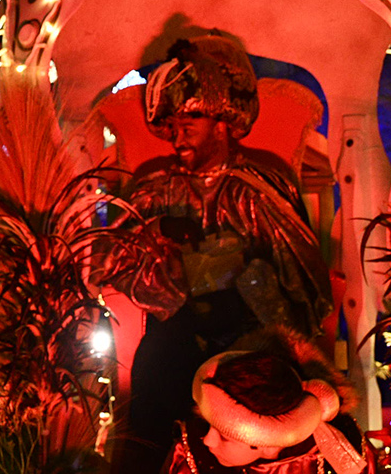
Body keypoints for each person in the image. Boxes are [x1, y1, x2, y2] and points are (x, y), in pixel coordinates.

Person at [106, 32, 333, 472]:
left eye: (188, 125)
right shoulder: (155, 190)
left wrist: (246, 275)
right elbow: (113, 263)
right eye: (171, 127)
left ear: (222, 123)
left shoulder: (262, 186)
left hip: (248, 342)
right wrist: (157, 240)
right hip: (173, 339)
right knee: (155, 373)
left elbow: (303, 284)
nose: (177, 137)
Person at [163, 330, 369, 474]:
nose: (207, 440)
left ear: (270, 446)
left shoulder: (339, 451)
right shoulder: (191, 455)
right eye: (210, 424)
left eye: (226, 437)